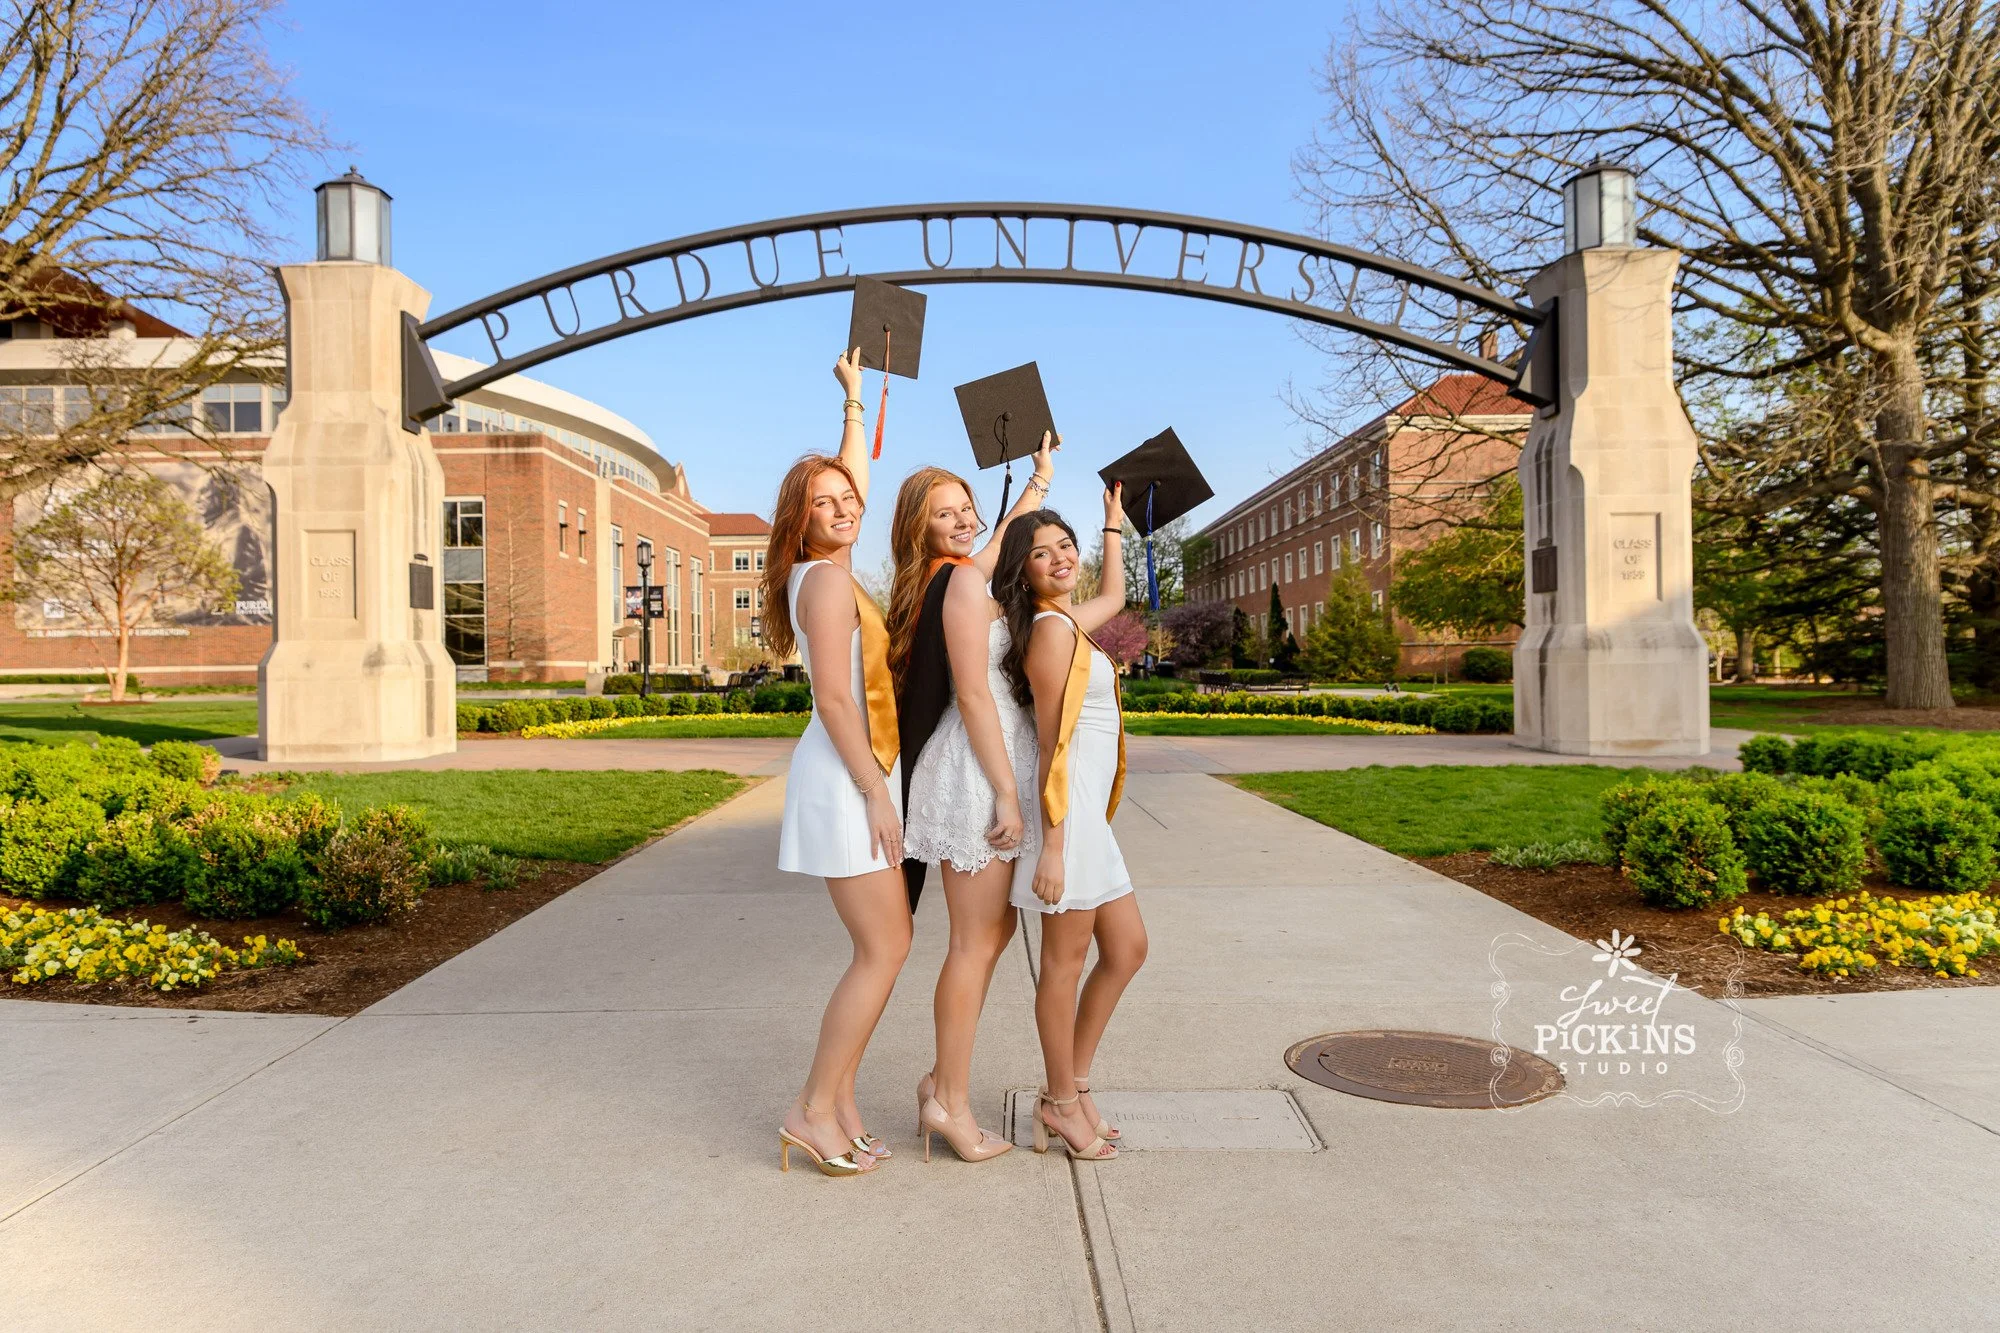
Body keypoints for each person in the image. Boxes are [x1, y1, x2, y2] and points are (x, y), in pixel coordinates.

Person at [889, 434, 1057, 1162]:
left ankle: (939, 1080)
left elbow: (995, 550)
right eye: (943, 515)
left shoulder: (956, 575)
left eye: (966, 508)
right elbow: (974, 696)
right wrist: (1005, 794)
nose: (962, 522)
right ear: (917, 529)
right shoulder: (955, 582)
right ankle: (950, 1103)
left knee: (992, 937)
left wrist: (1038, 485)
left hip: (987, 769)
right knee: (972, 941)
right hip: (976, 775)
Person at [767, 348, 906, 1178]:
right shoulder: (822, 583)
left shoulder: (828, 565)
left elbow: (851, 477)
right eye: (823, 503)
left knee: (888, 941)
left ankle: (841, 1103)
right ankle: (812, 1107)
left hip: (851, 774)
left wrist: (855, 403)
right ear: (802, 519)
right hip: (845, 775)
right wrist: (877, 792)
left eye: (848, 499)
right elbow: (836, 699)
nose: (844, 506)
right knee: (883, 948)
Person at [995, 492, 1146, 1161]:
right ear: (1021, 571)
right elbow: (1052, 745)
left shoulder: (1066, 621)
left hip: (1086, 816)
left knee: (1129, 947)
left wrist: (1111, 522)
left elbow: (1113, 594)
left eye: (1065, 546)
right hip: (1068, 817)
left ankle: (1073, 1086)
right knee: (1064, 964)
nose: (1058, 558)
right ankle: (1059, 1103)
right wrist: (1052, 846)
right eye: (1040, 552)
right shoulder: (1052, 634)